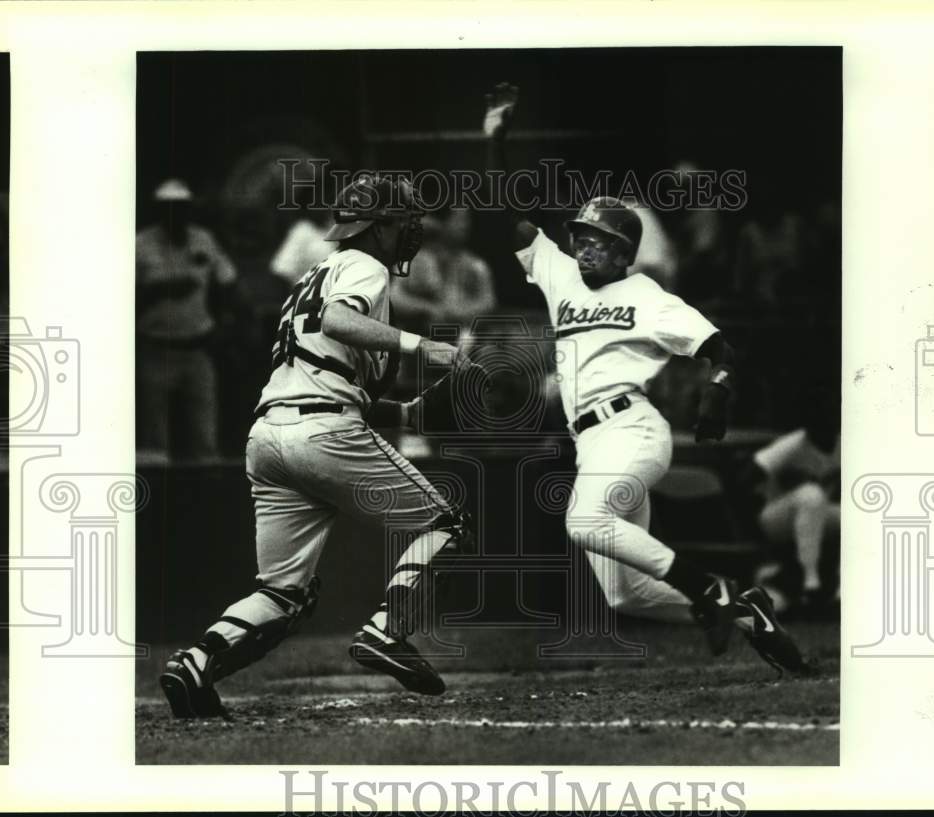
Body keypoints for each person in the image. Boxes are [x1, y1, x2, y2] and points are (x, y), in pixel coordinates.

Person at [484, 83, 809, 674]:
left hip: (631, 429)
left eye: (598, 241)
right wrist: (495, 144)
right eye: (580, 236)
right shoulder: (560, 277)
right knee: (625, 595)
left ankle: (712, 590)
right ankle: (744, 610)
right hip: (591, 443)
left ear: (625, 250)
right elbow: (517, 221)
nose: (583, 247)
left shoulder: (646, 295)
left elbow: (721, 346)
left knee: (584, 521)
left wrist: (717, 389)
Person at [159, 175, 478, 718]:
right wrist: (425, 346)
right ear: (376, 226)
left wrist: (404, 411)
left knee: (283, 592)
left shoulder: (313, 275)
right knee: (444, 523)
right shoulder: (363, 266)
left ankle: (194, 664)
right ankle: (387, 632)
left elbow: (321, 364)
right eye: (401, 221)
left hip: (268, 437)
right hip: (322, 432)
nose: (408, 231)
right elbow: (337, 320)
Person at [136, 179, 238, 461]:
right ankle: (158, 499)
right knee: (155, 440)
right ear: (160, 211)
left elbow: (227, 280)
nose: (176, 215)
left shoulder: (202, 239)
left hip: (197, 349)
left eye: (181, 209)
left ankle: (208, 497)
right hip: (156, 349)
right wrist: (161, 289)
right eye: (170, 209)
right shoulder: (141, 245)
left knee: (205, 437)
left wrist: (227, 321)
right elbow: (124, 296)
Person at [743, 403, 841, 616]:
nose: (827, 423)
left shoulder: (846, 446)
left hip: (815, 517)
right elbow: (744, 477)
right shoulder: (793, 445)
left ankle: (843, 592)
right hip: (775, 518)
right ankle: (811, 584)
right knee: (811, 495)